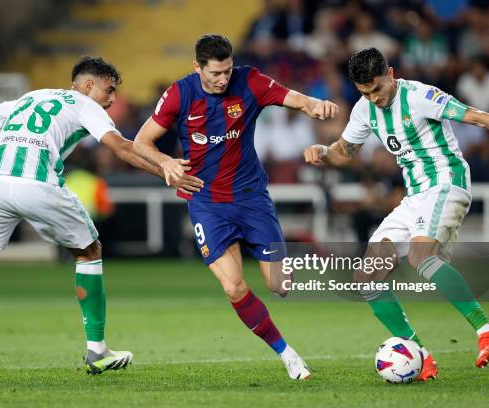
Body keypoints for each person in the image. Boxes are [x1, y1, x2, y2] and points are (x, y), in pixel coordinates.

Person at [0, 56, 203, 378]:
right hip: (36, 184)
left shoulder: (32, 96)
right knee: (89, 252)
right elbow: (122, 148)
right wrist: (166, 169)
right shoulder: (84, 104)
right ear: (88, 85)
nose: (112, 99)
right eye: (109, 90)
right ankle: (98, 351)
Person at [303, 47, 489, 381]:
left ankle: (487, 331)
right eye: (365, 92)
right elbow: (344, 152)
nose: (373, 98)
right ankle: (420, 355)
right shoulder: (364, 110)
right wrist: (322, 152)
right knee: (366, 277)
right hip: (415, 196)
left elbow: (476, 116)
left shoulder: (420, 96)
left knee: (421, 256)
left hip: (446, 182)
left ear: (391, 74)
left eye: (377, 89)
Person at [133, 34, 338, 380]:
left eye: (227, 71)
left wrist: (313, 105)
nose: (222, 79)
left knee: (280, 285)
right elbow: (141, 142)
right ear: (196, 67)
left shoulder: (250, 81)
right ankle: (287, 355)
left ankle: (274, 248)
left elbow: (292, 97)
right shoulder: (179, 94)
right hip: (207, 202)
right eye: (214, 73)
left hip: (251, 197)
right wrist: (165, 161)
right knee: (234, 287)